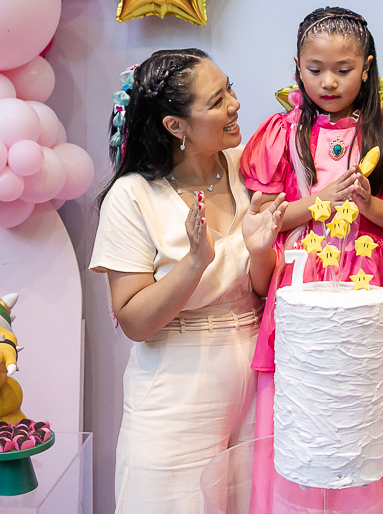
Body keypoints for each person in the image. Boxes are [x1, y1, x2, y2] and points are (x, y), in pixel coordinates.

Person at [89, 49, 286, 514]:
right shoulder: (132, 195)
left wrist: (261, 252)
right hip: (177, 387)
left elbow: (259, 288)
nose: (235, 104)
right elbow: (135, 320)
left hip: (258, 376)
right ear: (176, 126)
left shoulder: (243, 165)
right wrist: (195, 261)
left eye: (230, 88)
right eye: (217, 101)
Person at [240, 6, 383, 459]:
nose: (328, 82)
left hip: (376, 281)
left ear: (367, 68)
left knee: (373, 407)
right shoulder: (280, 135)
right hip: (301, 279)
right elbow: (264, 218)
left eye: (343, 70)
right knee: (306, 418)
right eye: (315, 70)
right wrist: (319, 202)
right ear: (297, 68)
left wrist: (373, 206)